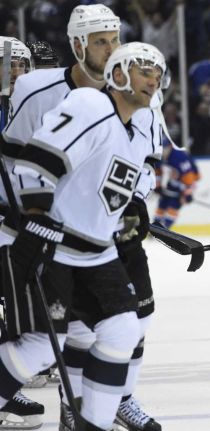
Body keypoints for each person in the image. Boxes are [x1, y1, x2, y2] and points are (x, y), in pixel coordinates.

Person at [0, 6, 163, 430]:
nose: (152, 83)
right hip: (47, 239)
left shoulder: (139, 117)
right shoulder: (87, 102)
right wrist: (33, 221)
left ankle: (90, 421)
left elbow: (128, 177)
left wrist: (135, 211)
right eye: (101, 41)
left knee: (125, 329)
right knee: (39, 344)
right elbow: (32, 161)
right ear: (77, 46)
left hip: (93, 248)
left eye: (116, 40)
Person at [0, 34, 47, 431]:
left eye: (20, 65)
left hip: (16, 226)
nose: (15, 73)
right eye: (8, 65)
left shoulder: (31, 107)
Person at [154, 139, 200, 228]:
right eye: (161, 149)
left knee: (173, 208)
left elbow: (189, 177)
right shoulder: (160, 155)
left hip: (184, 186)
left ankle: (165, 230)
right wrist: (158, 185)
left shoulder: (179, 157)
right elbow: (158, 170)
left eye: (165, 148)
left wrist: (187, 193)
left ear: (170, 147)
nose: (163, 151)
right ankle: (155, 229)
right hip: (171, 183)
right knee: (161, 206)